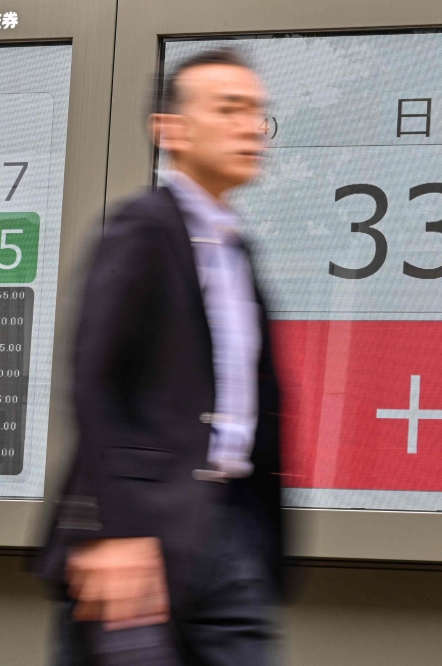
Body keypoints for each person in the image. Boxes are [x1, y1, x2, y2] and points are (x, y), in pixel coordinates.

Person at [36, 48, 285, 665]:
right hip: (142, 536)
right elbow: (94, 382)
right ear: (170, 129)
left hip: (229, 534)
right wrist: (112, 531)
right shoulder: (142, 229)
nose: (250, 127)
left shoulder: (237, 250)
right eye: (229, 109)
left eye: (257, 112)